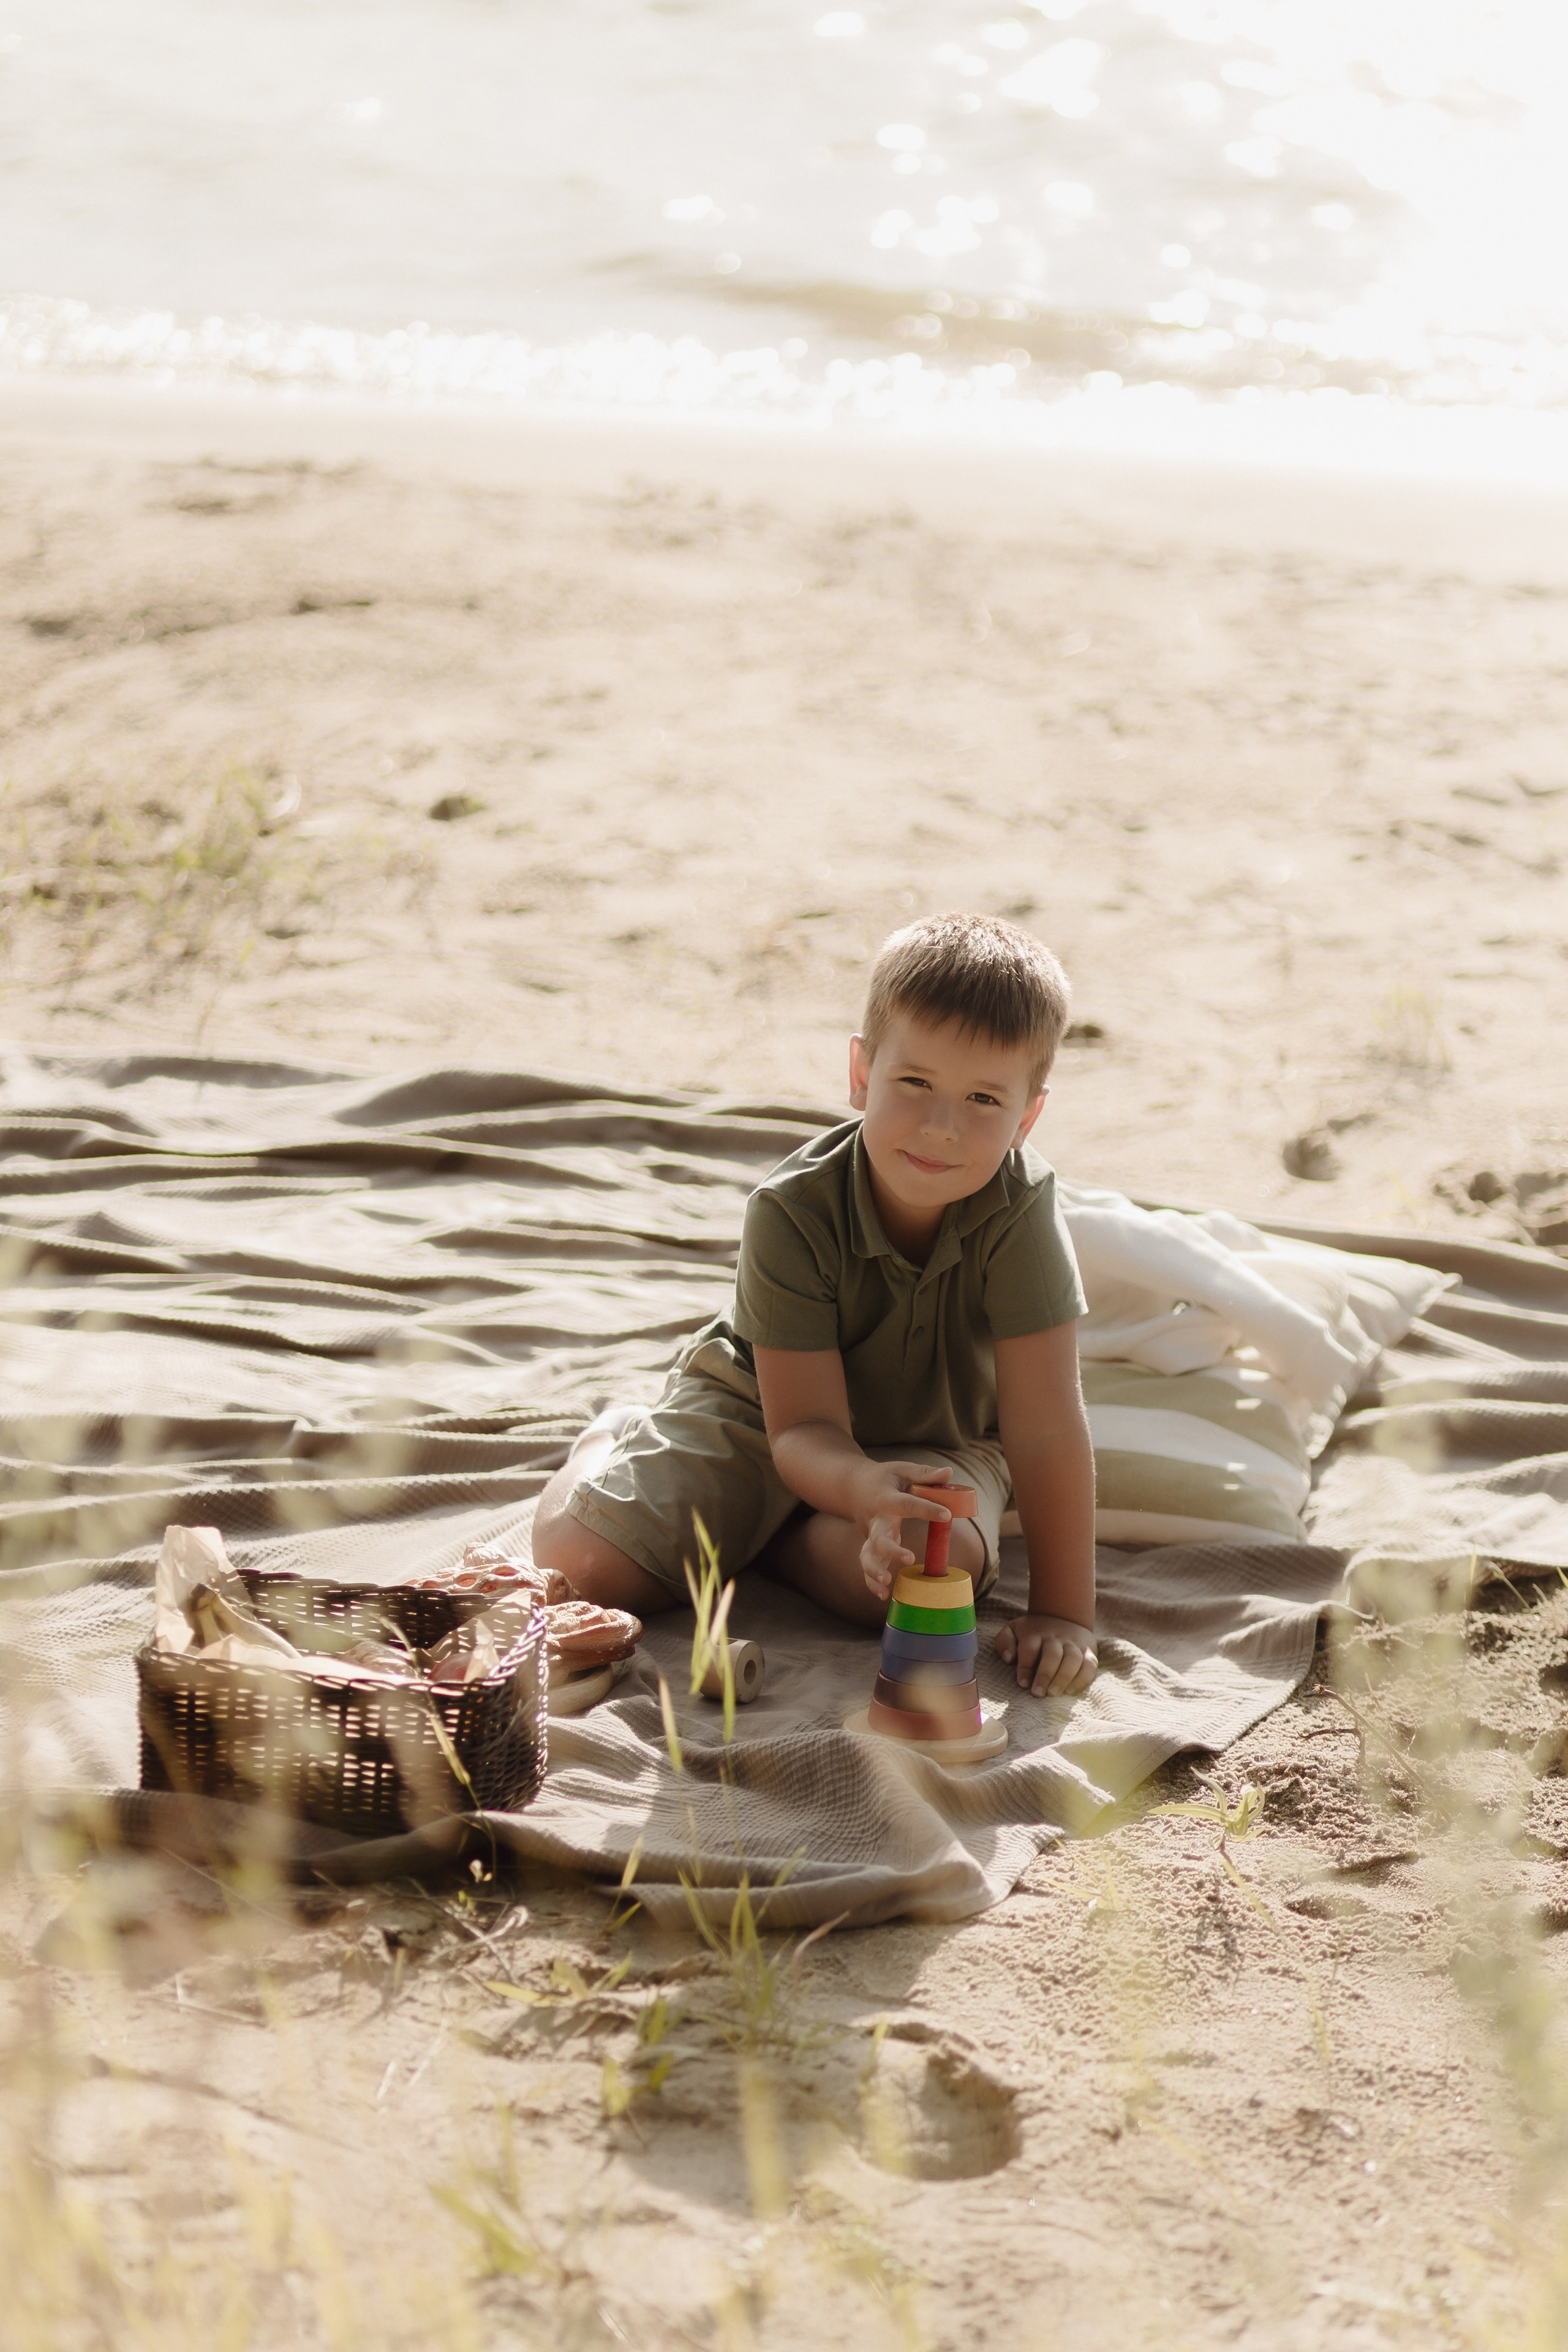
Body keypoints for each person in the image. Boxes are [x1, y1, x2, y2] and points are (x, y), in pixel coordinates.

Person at [532, 911, 1098, 1697]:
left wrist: (1066, 1614)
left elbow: (1044, 1427)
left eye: (981, 1099)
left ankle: (774, 1534)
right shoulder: (791, 1210)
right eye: (914, 1084)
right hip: (765, 1414)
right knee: (581, 1568)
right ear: (862, 1073)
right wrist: (855, 1486)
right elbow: (800, 1427)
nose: (941, 1127)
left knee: (931, 1577)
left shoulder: (1021, 1213)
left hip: (936, 1438)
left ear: (1027, 1116)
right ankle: (611, 1439)